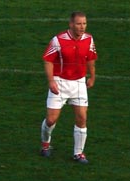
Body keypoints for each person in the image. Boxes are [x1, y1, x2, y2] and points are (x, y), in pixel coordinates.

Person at [40, 11, 97, 165]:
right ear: (71, 24)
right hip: (60, 82)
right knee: (51, 119)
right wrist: (51, 81)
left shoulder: (89, 39)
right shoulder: (58, 40)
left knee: (82, 118)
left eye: (84, 23)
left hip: (79, 83)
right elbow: (48, 60)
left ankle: (78, 153)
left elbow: (91, 59)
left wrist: (92, 76)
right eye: (79, 24)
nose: (82, 27)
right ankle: (45, 144)